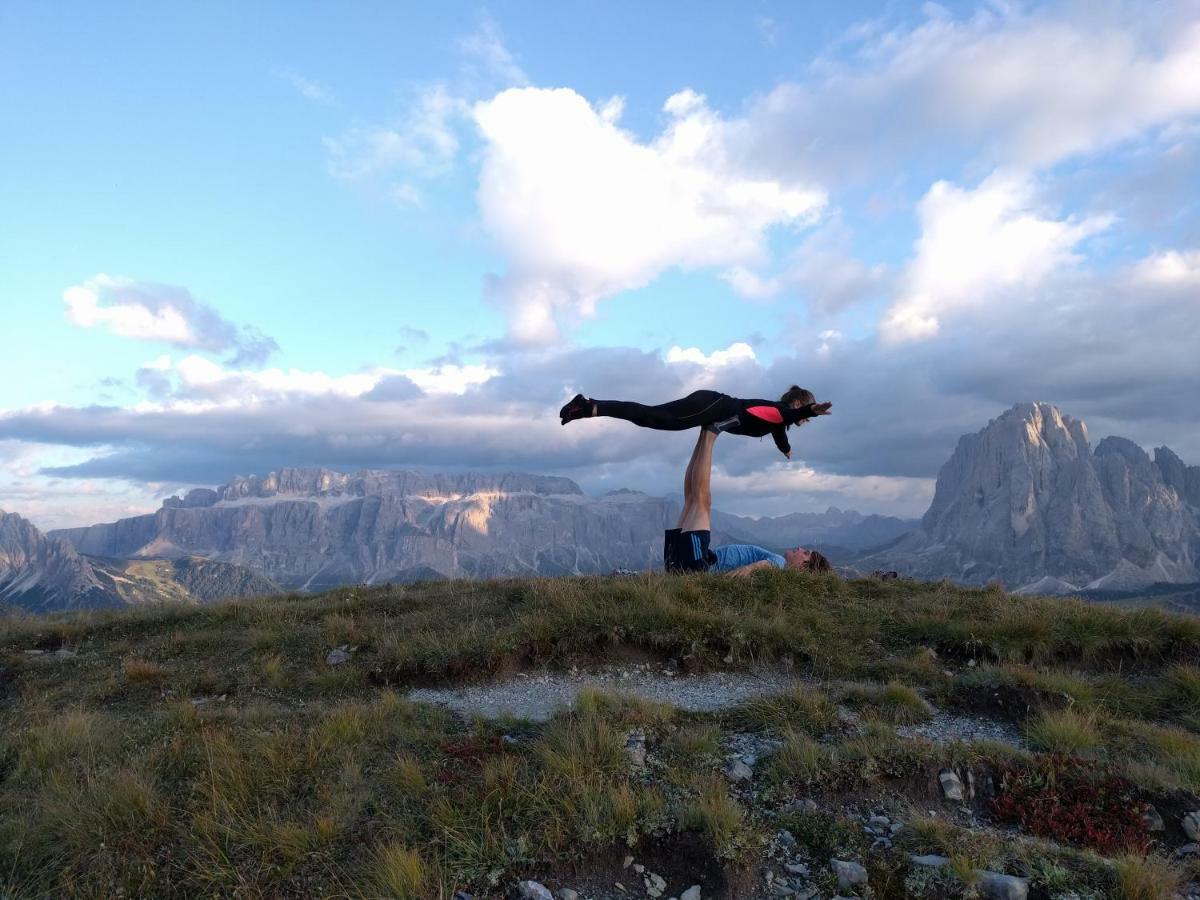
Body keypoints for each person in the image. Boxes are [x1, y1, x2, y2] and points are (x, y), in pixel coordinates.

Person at [663, 428, 833, 576]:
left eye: (805, 553)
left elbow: (762, 566)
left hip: (700, 566)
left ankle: (709, 433)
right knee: (693, 499)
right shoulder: (778, 567)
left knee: (700, 501)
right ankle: (704, 436)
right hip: (683, 564)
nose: (800, 548)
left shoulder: (779, 564)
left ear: (803, 568)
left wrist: (743, 572)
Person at [560, 386, 832, 459]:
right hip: (709, 406)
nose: (807, 419)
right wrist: (812, 410)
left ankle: (589, 407)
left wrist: (785, 450)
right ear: (798, 403)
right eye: (806, 411)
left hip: (708, 406)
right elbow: (786, 417)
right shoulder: (780, 410)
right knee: (652, 417)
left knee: (648, 417)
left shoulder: (776, 419)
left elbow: (779, 431)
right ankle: (587, 406)